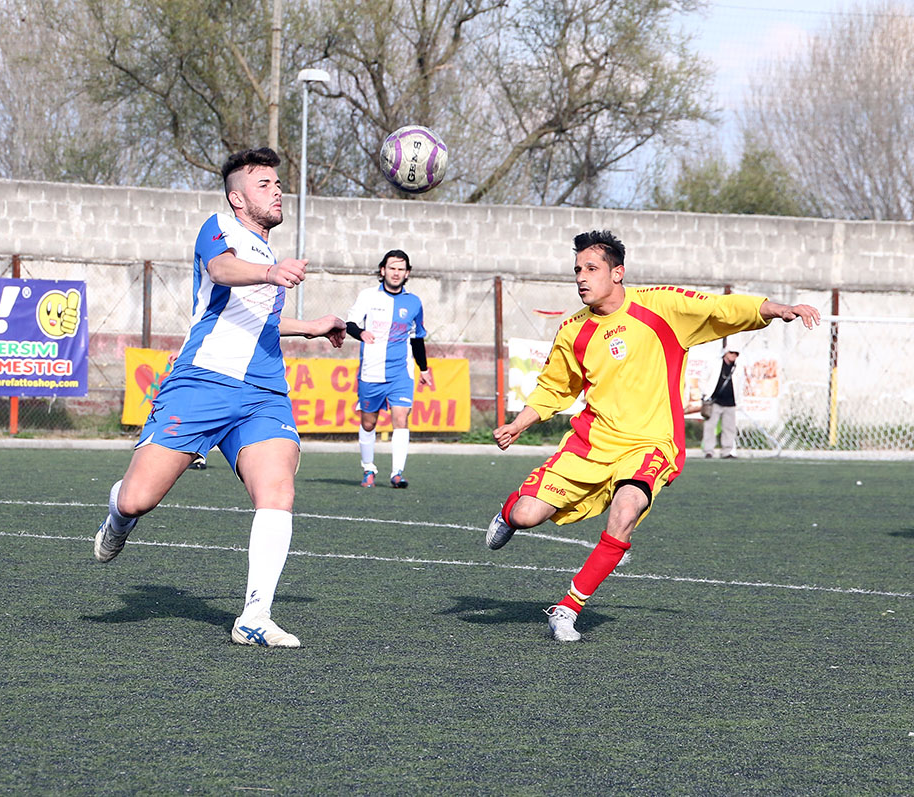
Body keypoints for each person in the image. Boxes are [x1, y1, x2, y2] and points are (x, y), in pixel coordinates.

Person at [486, 230, 820, 642]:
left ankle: (568, 609)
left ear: (618, 273)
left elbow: (721, 308)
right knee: (527, 515)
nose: (581, 278)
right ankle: (508, 513)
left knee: (625, 514)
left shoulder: (659, 305)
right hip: (591, 444)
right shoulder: (573, 330)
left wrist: (776, 309)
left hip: (650, 444)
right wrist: (520, 423)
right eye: (577, 270)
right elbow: (555, 388)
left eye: (591, 269)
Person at [93, 147, 346, 649]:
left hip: (263, 392)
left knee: (277, 493)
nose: (276, 190)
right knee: (138, 498)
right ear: (237, 197)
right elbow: (223, 271)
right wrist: (271, 275)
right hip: (202, 382)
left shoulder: (271, 254)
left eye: (277, 183)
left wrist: (313, 327)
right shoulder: (219, 229)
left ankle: (255, 616)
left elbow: (261, 321)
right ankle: (117, 517)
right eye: (264, 184)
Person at [345, 249, 433, 488]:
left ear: (407, 273)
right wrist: (360, 332)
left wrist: (423, 369)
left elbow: (417, 338)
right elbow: (349, 323)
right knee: (368, 423)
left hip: (401, 373)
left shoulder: (413, 302)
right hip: (371, 372)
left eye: (401, 269)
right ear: (382, 270)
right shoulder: (367, 296)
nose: (396, 273)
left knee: (401, 418)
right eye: (392, 268)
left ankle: (397, 473)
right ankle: (368, 468)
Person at [702, 347, 740, 459]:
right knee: (710, 426)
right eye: (732, 353)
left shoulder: (738, 367)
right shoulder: (715, 363)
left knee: (729, 428)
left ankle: (727, 451)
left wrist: (739, 399)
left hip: (731, 402)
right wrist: (705, 394)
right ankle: (708, 451)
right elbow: (703, 378)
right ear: (726, 353)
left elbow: (740, 383)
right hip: (715, 401)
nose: (734, 356)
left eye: (736, 354)